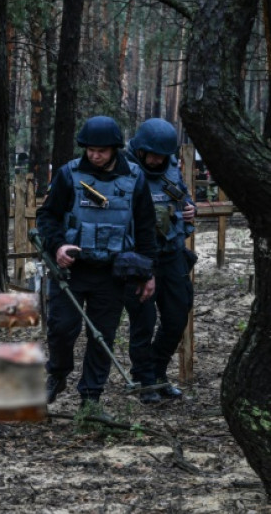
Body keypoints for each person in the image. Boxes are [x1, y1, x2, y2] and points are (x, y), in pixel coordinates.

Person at [35, 116, 158, 416]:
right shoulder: (69, 174)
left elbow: (145, 228)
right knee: (62, 328)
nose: (94, 155)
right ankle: (58, 373)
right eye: (90, 149)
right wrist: (58, 245)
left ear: (114, 149)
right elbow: (47, 217)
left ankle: (91, 397)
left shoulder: (135, 179)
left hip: (113, 273)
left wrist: (147, 273)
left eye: (101, 150)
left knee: (102, 336)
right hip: (71, 269)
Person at [122, 118, 195, 403]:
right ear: (140, 149)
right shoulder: (123, 171)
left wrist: (190, 211)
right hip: (138, 258)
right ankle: (145, 380)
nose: (155, 160)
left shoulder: (171, 171)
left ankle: (159, 372)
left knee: (177, 316)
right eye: (151, 154)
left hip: (172, 255)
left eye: (161, 155)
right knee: (144, 321)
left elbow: (185, 201)